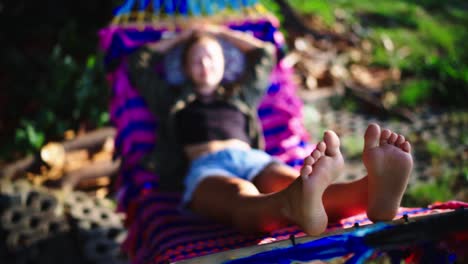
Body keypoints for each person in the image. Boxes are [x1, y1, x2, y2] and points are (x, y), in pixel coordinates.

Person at [128, 24, 413, 236]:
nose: (205, 65)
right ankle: (296, 203)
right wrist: (185, 37)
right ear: (186, 68)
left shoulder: (238, 96)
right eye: (196, 60)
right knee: (241, 193)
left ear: (224, 65)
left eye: (212, 58)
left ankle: (370, 191)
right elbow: (138, 62)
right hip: (207, 168)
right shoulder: (172, 100)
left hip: (252, 159)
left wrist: (219, 33)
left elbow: (264, 53)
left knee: (295, 182)